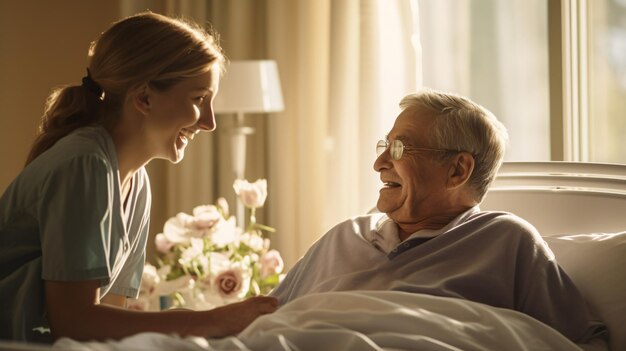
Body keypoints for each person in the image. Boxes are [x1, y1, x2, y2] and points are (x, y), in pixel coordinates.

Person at [0, 12, 277, 343]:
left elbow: (109, 315)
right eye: (198, 99)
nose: (209, 122)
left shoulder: (136, 182)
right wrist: (211, 321)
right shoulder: (85, 164)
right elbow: (74, 324)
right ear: (144, 97)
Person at [269, 89, 606, 344]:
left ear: (458, 170)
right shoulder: (344, 236)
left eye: (400, 148)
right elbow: (266, 320)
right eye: (383, 146)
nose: (379, 163)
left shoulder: (505, 240)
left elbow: (580, 344)